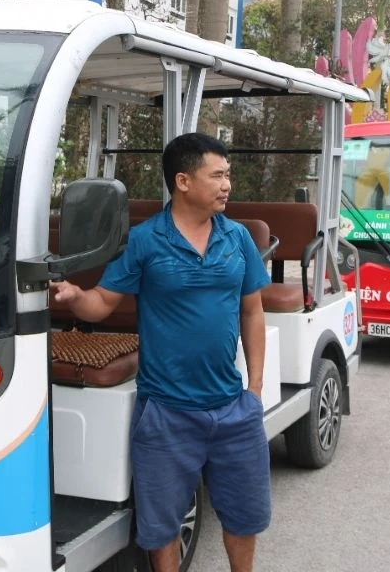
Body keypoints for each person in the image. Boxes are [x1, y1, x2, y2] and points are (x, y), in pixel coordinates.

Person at [50, 132, 271, 572]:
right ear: (183, 181)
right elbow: (101, 304)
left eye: (229, 175)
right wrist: (76, 296)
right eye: (218, 175)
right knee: (160, 527)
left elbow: (253, 313)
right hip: (166, 413)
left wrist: (256, 389)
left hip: (232, 408)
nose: (228, 185)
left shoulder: (238, 238)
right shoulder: (145, 240)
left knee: (244, 519)